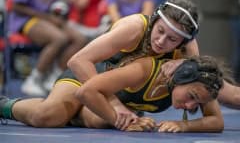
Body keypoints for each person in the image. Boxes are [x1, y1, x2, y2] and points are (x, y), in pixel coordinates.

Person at [0, 55, 226, 133]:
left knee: (100, 119)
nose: (190, 106)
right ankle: (3, 104)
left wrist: (185, 125)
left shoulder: (203, 84)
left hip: (104, 100)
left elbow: (216, 121)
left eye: (196, 106)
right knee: (47, 116)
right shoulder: (146, 69)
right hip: (89, 80)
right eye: (192, 97)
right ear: (183, 76)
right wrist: (123, 122)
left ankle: (69, 114)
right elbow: (88, 91)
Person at [8, 0, 89, 96]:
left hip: (49, 19)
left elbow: (56, 4)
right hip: (26, 20)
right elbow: (17, 7)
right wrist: (49, 18)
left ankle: (54, 77)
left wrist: (64, 8)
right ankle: (33, 79)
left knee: (80, 39)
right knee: (59, 38)